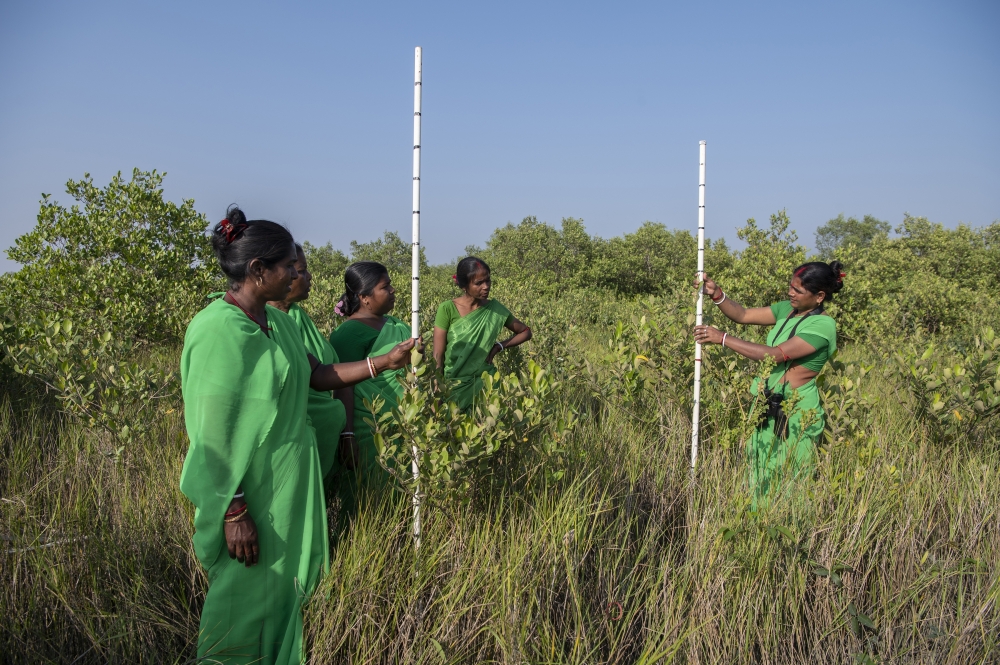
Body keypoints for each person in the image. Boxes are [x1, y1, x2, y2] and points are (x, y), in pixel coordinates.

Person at [179, 207, 414, 665]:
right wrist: (235, 510)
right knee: (244, 593)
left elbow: (318, 374)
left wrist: (383, 363)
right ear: (257, 270)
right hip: (250, 490)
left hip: (291, 483)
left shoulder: (280, 322)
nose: (296, 274)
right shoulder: (217, 330)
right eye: (288, 266)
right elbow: (211, 432)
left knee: (291, 584)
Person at [693, 261, 844, 508]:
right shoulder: (787, 309)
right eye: (791, 287)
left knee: (790, 483)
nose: (790, 293)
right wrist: (717, 294)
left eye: (798, 290)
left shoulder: (823, 326)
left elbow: (775, 354)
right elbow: (742, 315)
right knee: (757, 476)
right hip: (765, 406)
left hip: (796, 413)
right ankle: (756, 534)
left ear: (819, 296)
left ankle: (789, 539)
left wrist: (722, 338)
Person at [267, 243, 355, 480]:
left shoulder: (298, 317)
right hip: (284, 446)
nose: (307, 276)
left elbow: (335, 376)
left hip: (322, 438)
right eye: (300, 270)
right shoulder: (262, 324)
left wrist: (347, 433)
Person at [328, 262, 411, 484]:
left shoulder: (395, 324)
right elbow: (343, 384)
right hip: (369, 429)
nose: (393, 290)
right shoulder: (349, 332)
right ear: (364, 297)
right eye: (385, 287)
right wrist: (347, 436)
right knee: (371, 493)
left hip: (405, 424)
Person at [432, 256, 532, 410]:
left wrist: (499, 346)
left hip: (486, 384)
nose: (486, 287)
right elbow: (437, 357)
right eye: (478, 283)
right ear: (464, 285)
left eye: (488, 280)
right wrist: (437, 393)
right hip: (454, 386)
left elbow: (525, 332)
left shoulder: (495, 309)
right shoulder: (447, 309)